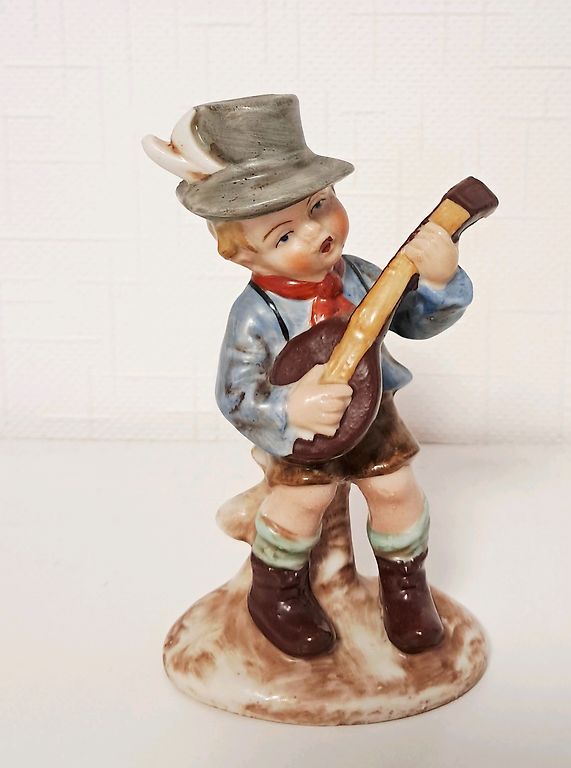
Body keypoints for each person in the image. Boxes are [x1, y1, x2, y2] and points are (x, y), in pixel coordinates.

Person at [143, 94, 473, 658]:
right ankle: (276, 594)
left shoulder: (364, 277)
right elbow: (235, 392)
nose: (315, 231)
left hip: (373, 414)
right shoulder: (254, 314)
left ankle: (405, 589)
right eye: (283, 235)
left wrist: (440, 281)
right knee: (300, 505)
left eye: (320, 205)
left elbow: (415, 322)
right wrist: (288, 409)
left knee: (396, 491)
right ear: (244, 256)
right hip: (304, 433)